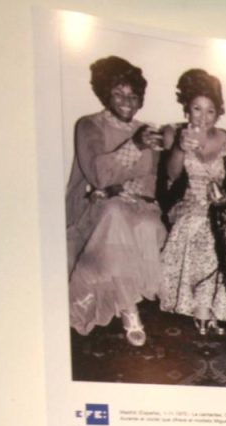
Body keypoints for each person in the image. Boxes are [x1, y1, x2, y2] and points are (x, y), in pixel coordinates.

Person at [65, 55, 166, 348]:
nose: (127, 102)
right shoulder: (88, 125)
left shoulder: (146, 130)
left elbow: (150, 179)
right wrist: (134, 146)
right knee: (114, 213)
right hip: (94, 207)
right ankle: (129, 310)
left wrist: (125, 187)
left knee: (148, 223)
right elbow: (98, 176)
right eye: (119, 94)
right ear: (105, 94)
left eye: (133, 96)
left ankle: (128, 294)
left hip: (134, 204)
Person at [157, 68, 226, 336]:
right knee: (199, 227)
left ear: (219, 112)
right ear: (187, 108)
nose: (203, 117)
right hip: (185, 205)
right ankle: (202, 308)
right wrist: (180, 148)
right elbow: (170, 177)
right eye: (197, 109)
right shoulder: (174, 133)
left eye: (210, 110)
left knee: (214, 228)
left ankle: (206, 306)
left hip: (220, 210)